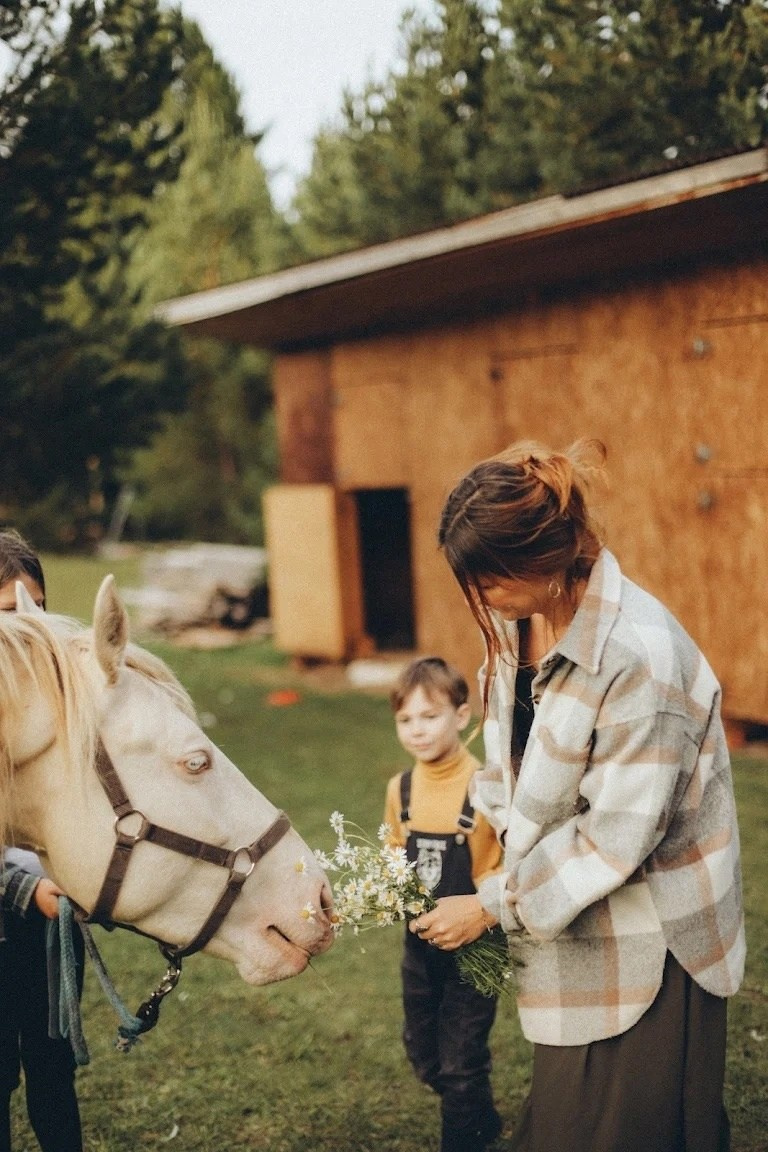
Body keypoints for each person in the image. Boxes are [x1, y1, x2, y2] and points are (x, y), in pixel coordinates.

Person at [408, 439, 746, 1152]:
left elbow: (612, 840)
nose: (478, 601)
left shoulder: (639, 661)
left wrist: (493, 905)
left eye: (487, 583)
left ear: (538, 563)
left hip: (653, 947)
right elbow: (507, 757)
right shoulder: (520, 623)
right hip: (573, 924)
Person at [383, 657, 504, 1152]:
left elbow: (503, 864)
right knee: (425, 1055)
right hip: (422, 946)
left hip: (477, 947)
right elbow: (393, 848)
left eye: (430, 716)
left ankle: (468, 1137)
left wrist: (485, 903)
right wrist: (385, 890)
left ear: (461, 716)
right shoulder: (401, 789)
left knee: (459, 1062)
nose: (416, 730)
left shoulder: (485, 786)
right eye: (405, 720)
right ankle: (482, 1116)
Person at [0, 529, 84, 1152]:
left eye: (39, 607)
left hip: (54, 930)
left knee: (54, 1069)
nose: (31, 627)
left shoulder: (61, 703)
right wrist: (29, 889)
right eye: (9, 614)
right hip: (16, 920)